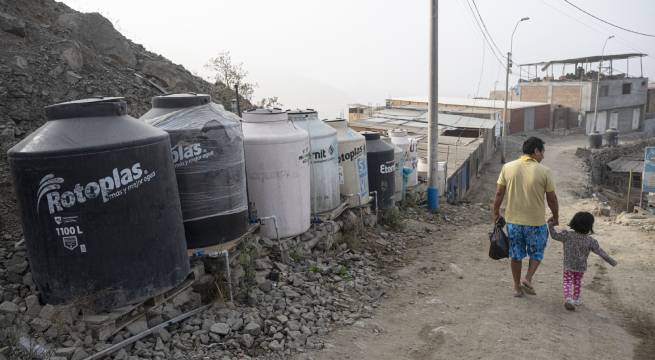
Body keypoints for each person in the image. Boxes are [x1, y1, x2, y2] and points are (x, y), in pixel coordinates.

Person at [493, 137, 559, 297]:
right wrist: (555, 216)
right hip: (536, 222)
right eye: (542, 152)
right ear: (536, 151)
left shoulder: (507, 167)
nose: (543, 156)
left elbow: (499, 193)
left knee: (516, 255)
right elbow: (551, 198)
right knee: (537, 252)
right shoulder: (544, 171)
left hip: (513, 222)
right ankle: (528, 278)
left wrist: (495, 212)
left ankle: (516, 288)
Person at [548, 212, 617, 310]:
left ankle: (568, 299)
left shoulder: (567, 235)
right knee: (577, 282)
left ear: (573, 223)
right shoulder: (590, 240)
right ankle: (576, 298)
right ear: (589, 226)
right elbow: (600, 252)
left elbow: (554, 236)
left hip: (568, 264)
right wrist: (611, 261)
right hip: (581, 266)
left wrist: (550, 225)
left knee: (567, 281)